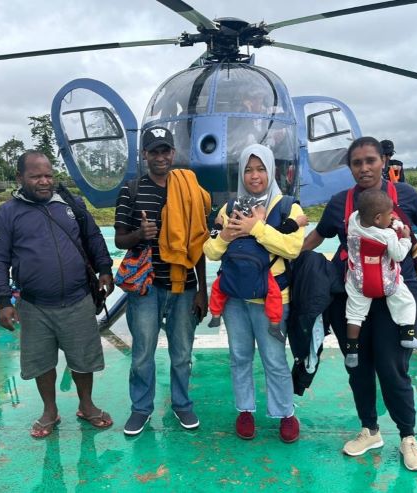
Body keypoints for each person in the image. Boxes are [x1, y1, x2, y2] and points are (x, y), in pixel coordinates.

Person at [302, 136, 417, 471]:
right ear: (350, 167)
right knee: (357, 367)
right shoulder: (341, 202)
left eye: (370, 160)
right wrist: (289, 255)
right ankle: (369, 430)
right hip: (352, 296)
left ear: (383, 161)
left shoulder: (406, 195)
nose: (364, 168)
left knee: (392, 367)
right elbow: (319, 235)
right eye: (357, 163)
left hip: (397, 294)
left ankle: (407, 436)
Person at [0, 151, 114, 438]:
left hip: (78, 299)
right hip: (34, 305)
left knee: (83, 359)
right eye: (36, 176)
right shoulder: (7, 213)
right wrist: (3, 300)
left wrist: (104, 267)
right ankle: (50, 410)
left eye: (48, 175)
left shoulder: (71, 204)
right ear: (20, 178)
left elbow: (92, 236)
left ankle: (87, 405)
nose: (44, 182)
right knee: (42, 362)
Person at [203, 143, 305, 443]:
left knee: (274, 359)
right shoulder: (228, 209)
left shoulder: (288, 207)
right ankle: (245, 410)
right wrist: (225, 235)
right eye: (248, 169)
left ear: (271, 170)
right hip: (235, 298)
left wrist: (256, 228)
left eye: (261, 169)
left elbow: (293, 248)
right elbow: (210, 251)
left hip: (272, 300)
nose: (254, 176)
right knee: (239, 356)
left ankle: (285, 413)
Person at [114, 126, 210, 436]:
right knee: (143, 352)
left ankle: (182, 403)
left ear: (173, 152)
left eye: (165, 150)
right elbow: (119, 239)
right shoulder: (131, 190)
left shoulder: (189, 188)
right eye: (154, 151)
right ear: (144, 154)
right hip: (147, 286)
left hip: (184, 287)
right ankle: (141, 408)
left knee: (182, 352)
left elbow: (199, 241)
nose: (160, 157)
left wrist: (203, 291)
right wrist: (140, 235)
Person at [344, 188, 417, 370]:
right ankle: (407, 335)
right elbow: (399, 255)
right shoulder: (387, 235)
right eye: (389, 215)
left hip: (358, 280)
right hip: (386, 281)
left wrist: (387, 219)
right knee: (406, 301)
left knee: (354, 315)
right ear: (378, 219)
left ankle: (352, 350)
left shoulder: (354, 222)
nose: (391, 218)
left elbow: (366, 215)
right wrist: (406, 238)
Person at [207, 212, 308, 329]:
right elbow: (285, 229)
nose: (249, 218)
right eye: (247, 214)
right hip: (244, 269)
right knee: (218, 287)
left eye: (256, 214)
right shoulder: (233, 230)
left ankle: (274, 322)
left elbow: (285, 230)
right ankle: (215, 314)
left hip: (252, 269)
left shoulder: (263, 231)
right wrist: (219, 225)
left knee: (273, 291)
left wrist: (297, 222)